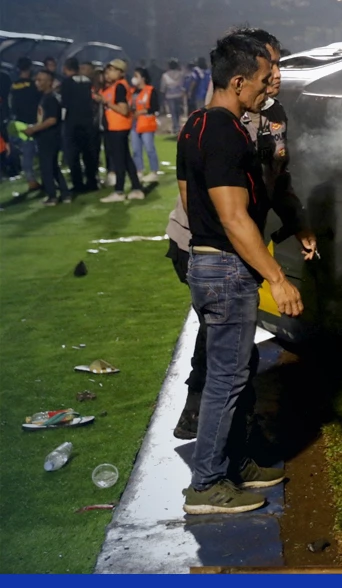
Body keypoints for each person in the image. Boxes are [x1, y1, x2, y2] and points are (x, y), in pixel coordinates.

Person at [175, 32, 303, 515]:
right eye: (258, 82)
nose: (264, 91)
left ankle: (233, 464)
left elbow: (192, 201)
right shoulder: (227, 132)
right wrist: (276, 276)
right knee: (227, 381)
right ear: (236, 80)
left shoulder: (192, 126)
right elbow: (234, 216)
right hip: (227, 268)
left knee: (233, 374)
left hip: (205, 261)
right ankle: (206, 484)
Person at [97, 58, 144, 202]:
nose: (108, 73)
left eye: (112, 70)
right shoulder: (115, 86)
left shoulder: (119, 87)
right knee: (126, 158)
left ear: (120, 72)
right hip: (116, 127)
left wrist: (106, 102)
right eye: (108, 70)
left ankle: (119, 191)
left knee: (119, 160)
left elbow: (123, 110)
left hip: (118, 127)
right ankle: (136, 188)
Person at [25, 69, 71, 206]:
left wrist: (34, 129)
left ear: (49, 82)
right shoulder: (47, 97)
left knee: (46, 167)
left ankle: (52, 196)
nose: (36, 82)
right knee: (53, 166)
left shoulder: (50, 98)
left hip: (49, 137)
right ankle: (65, 193)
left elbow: (51, 120)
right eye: (36, 80)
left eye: (40, 80)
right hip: (51, 136)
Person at [61, 58, 99, 193]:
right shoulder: (87, 81)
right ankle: (92, 181)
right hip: (88, 122)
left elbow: (64, 104)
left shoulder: (66, 83)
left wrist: (63, 121)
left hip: (73, 123)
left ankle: (78, 184)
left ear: (66, 68)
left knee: (73, 155)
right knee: (88, 153)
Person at [8, 58, 42, 192]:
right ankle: (47, 177)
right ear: (30, 68)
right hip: (35, 122)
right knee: (41, 151)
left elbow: (12, 105)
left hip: (20, 123)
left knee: (27, 153)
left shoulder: (14, 86)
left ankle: (31, 180)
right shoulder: (34, 84)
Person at [129, 67, 160, 182]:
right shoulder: (132, 91)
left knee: (149, 148)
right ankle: (139, 170)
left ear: (143, 78)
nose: (134, 78)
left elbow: (155, 107)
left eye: (136, 76)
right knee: (136, 150)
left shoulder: (150, 90)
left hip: (146, 123)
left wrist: (142, 112)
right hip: (134, 123)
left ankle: (154, 171)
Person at [158, 59, 187, 133]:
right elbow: (183, 84)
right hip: (179, 95)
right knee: (178, 111)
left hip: (169, 96)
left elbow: (163, 87)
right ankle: (178, 125)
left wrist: (162, 94)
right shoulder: (180, 74)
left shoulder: (165, 75)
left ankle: (175, 126)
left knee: (173, 112)